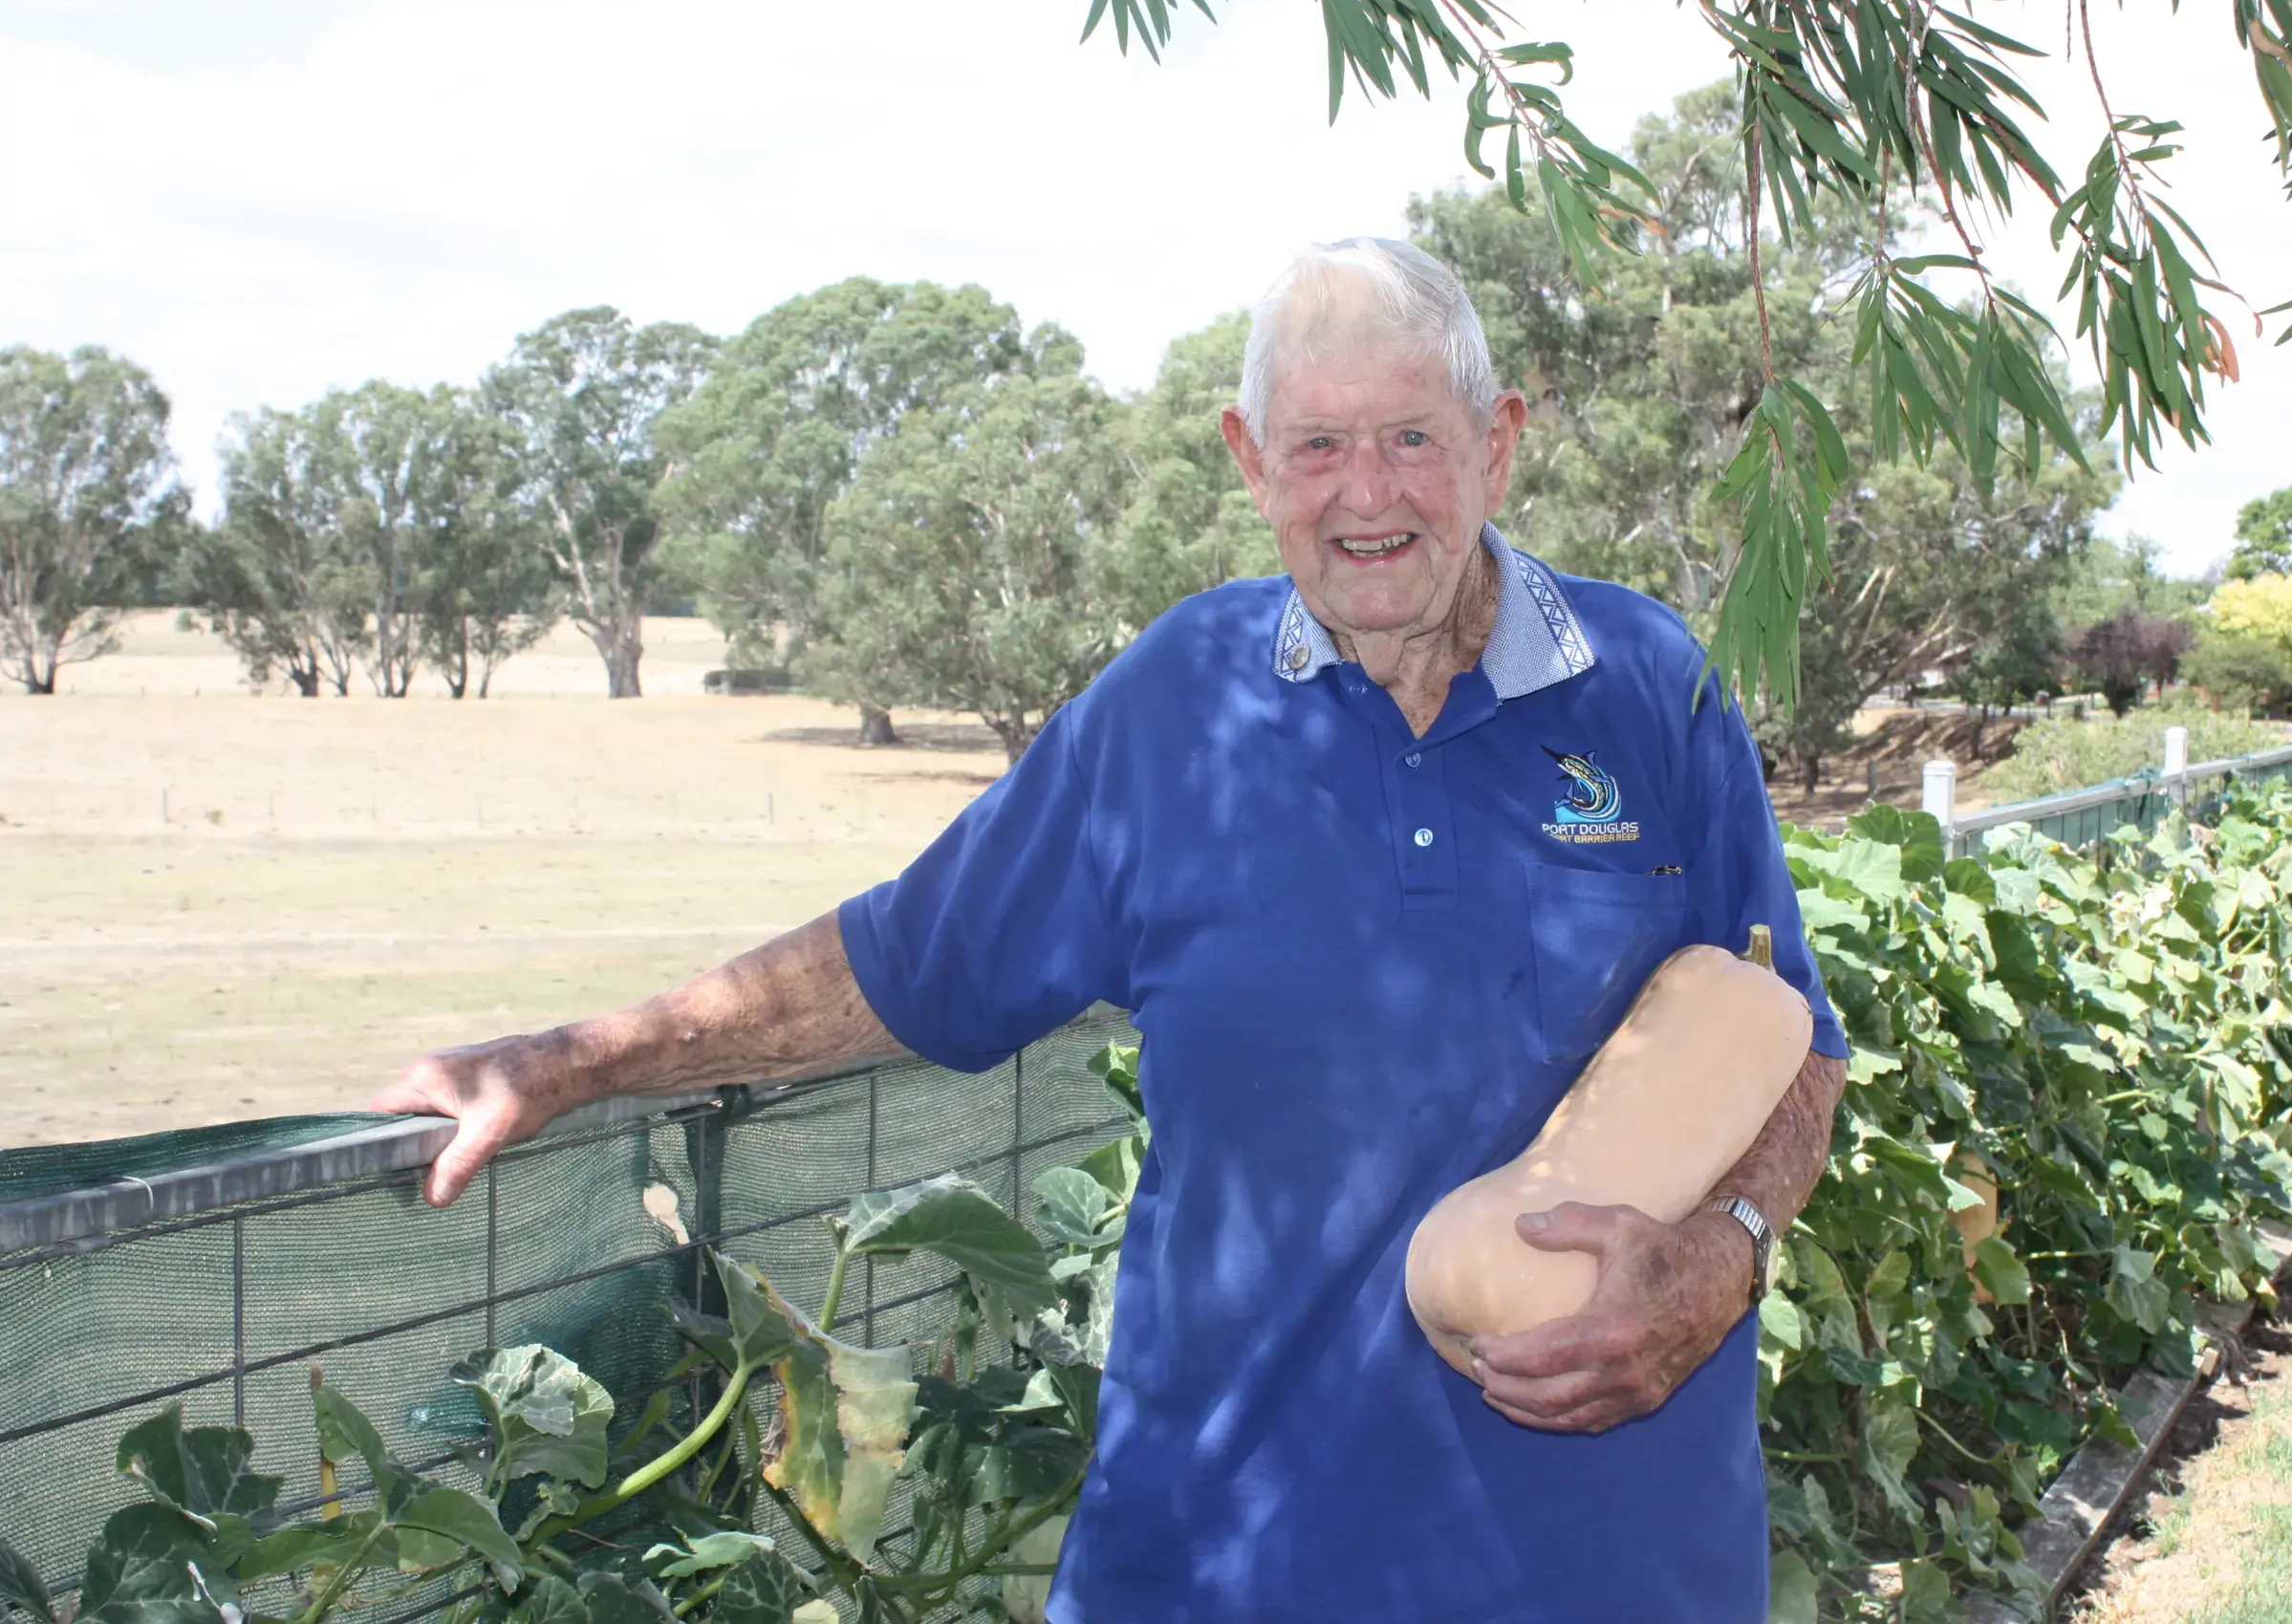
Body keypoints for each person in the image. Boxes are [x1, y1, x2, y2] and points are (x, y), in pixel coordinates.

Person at [375, 237, 1849, 1624]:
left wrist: (1722, 1253)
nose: (1364, 493)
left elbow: (1800, 1051)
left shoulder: (1652, 688)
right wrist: (568, 1060)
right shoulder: (1170, 713)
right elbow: (899, 962)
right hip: (1221, 1565)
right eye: (1317, 446)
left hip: (1609, 1572)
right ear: (1250, 462)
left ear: (1499, 444)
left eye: (1410, 437)